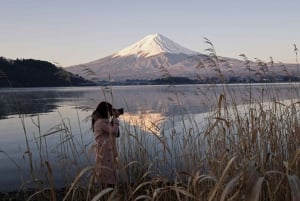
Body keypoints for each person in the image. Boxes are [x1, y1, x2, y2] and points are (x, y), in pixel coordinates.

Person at [91, 101, 121, 186]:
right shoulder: (100, 123)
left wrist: (113, 120)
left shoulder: (103, 122)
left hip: (107, 152)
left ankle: (107, 193)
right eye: (110, 111)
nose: (111, 113)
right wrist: (115, 118)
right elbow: (114, 131)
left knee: (108, 174)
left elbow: (117, 134)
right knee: (107, 175)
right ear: (105, 111)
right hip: (105, 154)